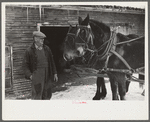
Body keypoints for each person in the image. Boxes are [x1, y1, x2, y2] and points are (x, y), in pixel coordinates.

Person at [23, 31, 58, 100]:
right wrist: (30, 75)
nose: (43, 40)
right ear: (35, 39)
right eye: (41, 38)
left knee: (47, 95)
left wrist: (55, 73)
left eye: (43, 39)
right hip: (37, 77)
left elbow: (52, 62)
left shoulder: (47, 49)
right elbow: (25, 65)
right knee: (37, 96)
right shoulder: (29, 51)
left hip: (47, 76)